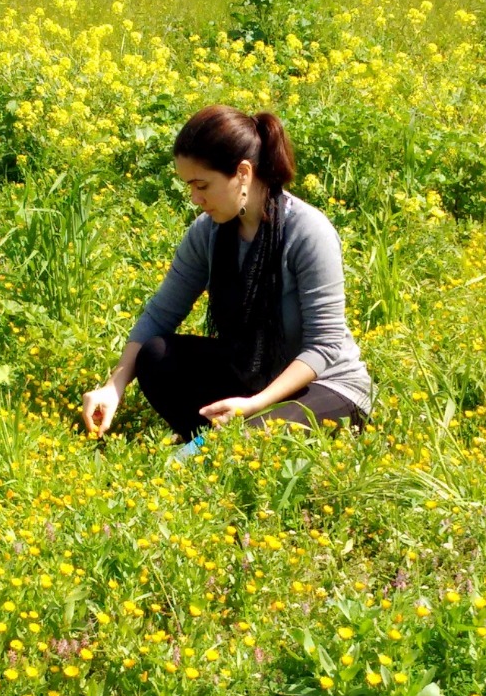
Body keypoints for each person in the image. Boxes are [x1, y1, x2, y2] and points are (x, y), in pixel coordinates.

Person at [82, 104, 377, 448]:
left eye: (202, 185)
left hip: (327, 385)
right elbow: (161, 315)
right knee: (156, 356)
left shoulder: (308, 231)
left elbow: (324, 346)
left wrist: (255, 404)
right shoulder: (207, 232)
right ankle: (214, 441)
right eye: (190, 187)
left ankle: (209, 448)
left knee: (246, 440)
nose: (195, 199)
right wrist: (113, 386)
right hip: (252, 374)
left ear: (243, 173)